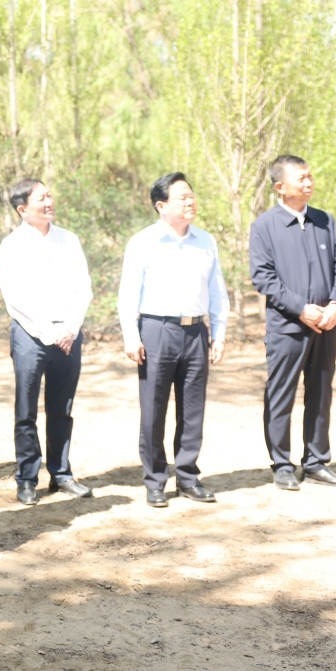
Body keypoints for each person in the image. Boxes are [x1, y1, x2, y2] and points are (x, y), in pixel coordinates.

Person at [117, 172, 229, 508]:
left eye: (191, 195)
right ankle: (155, 480)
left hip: (195, 331)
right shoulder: (143, 242)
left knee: (193, 410)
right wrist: (131, 336)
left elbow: (217, 291)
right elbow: (128, 293)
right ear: (161, 205)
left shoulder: (205, 241)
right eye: (182, 197)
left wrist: (219, 333)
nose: (190, 201)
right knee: (153, 408)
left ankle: (188, 477)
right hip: (156, 330)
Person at [249, 155, 336, 491]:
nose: (309, 183)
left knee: (321, 393)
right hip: (288, 327)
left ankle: (316, 461)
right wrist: (301, 309)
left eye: (310, 176)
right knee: (281, 395)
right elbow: (263, 277)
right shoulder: (265, 227)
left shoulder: (324, 221)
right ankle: (281, 464)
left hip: (326, 325)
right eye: (301, 178)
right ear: (280, 187)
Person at [0, 179, 93, 506]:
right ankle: (26, 478)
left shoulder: (69, 240)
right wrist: (49, 332)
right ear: (23, 208)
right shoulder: (12, 245)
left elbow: (83, 287)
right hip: (30, 335)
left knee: (61, 408)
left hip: (69, 335)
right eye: (42, 198)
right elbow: (14, 298)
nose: (49, 201)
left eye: (50, 195)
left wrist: (70, 328)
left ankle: (61, 473)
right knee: (26, 410)